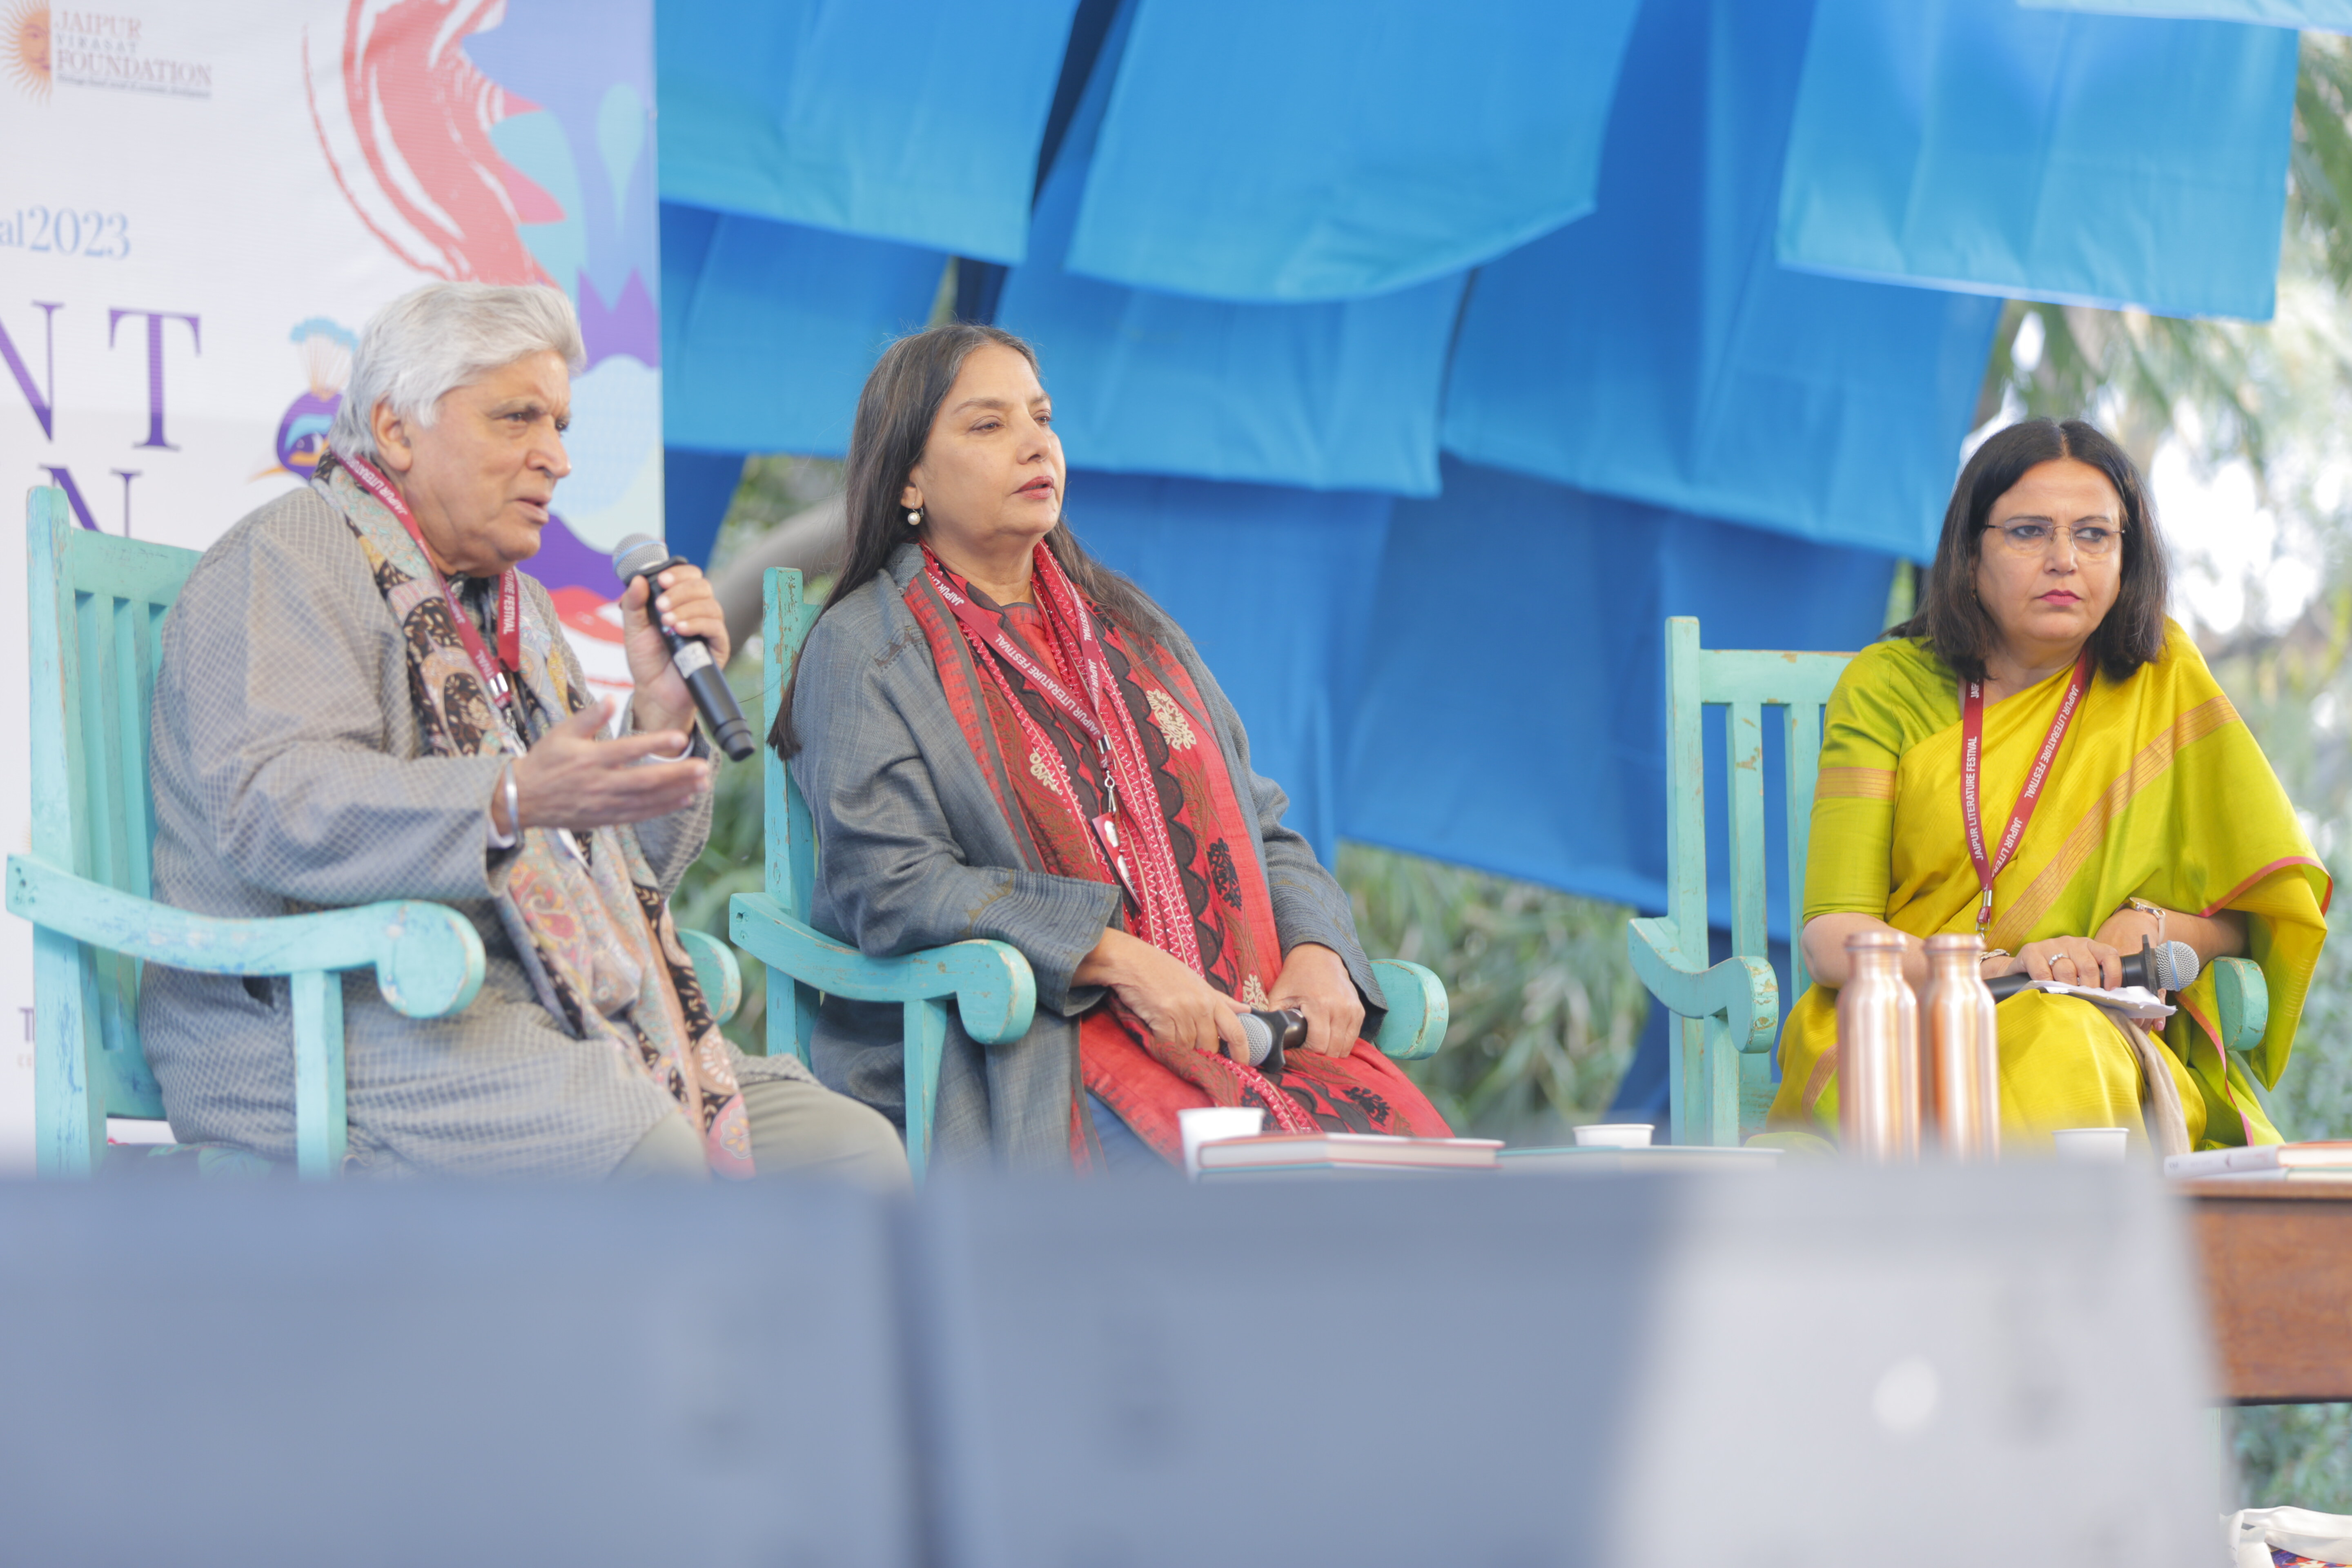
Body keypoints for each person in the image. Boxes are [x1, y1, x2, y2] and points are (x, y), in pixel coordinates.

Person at [142, 281, 904, 1185]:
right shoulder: (290, 558)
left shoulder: (519, 612)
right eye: (516, 420)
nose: (556, 458)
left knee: (851, 1157)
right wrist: (506, 799)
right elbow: (271, 807)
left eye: (560, 426)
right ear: (395, 430)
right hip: (337, 1021)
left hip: (542, 1011)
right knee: (642, 1155)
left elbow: (624, 880)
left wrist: (661, 716)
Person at [778, 325, 1451, 1172]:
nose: (1033, 443)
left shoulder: (1132, 628)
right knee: (1262, 1220)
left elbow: (1265, 829)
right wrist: (1118, 959)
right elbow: (894, 886)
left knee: (1438, 1216)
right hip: (1026, 1045)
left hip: (1247, 1035)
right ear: (909, 474)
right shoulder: (865, 646)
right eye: (988, 426)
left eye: (1042, 416)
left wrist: (1320, 953)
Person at [1772, 418, 2330, 1153]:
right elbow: (1831, 938)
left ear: (2127, 559)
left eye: (2094, 535)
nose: (2065, 559)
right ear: (1970, 556)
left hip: (2090, 1026)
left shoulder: (2161, 680)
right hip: (1901, 1019)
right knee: (2055, 1045)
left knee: (2068, 1038)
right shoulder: (1887, 687)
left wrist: (2153, 927)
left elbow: (2248, 919)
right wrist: (1996, 969)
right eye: (2030, 532)